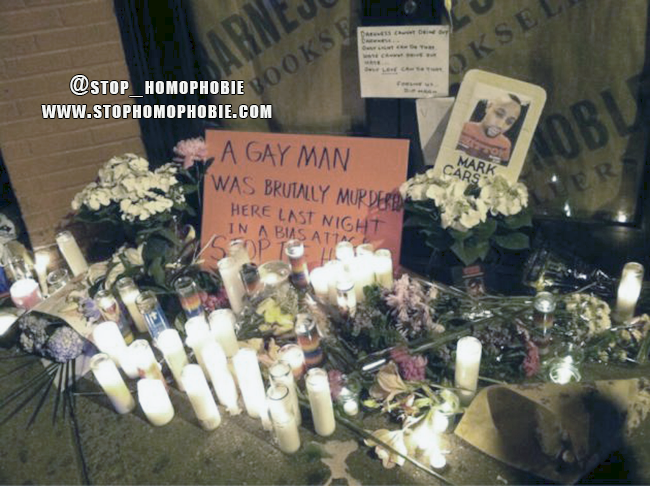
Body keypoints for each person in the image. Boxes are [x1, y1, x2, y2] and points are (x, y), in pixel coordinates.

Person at [456, 94, 522, 165]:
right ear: (488, 107)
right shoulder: (462, 128)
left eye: (509, 122)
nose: (500, 125)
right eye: (499, 114)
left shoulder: (505, 145)